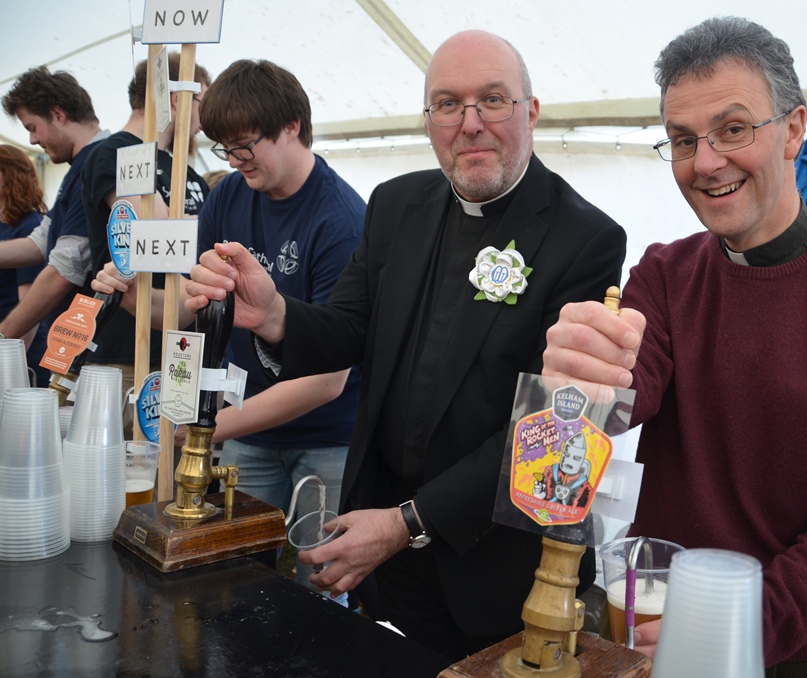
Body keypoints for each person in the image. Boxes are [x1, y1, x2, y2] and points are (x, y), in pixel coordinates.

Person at [180, 30, 627, 658]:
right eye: (447, 104)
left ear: (531, 111)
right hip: (386, 553)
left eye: (492, 100)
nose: (469, 123)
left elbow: (551, 432)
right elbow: (347, 328)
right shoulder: (396, 205)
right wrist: (276, 315)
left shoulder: (587, 239)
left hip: (493, 568)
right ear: (427, 121)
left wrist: (407, 523)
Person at [542, 17, 807, 675]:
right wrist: (585, 380)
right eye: (683, 140)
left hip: (795, 650)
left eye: (733, 129)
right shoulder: (665, 273)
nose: (707, 161)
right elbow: (632, 387)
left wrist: (733, 621)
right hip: (650, 622)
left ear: (794, 130)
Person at [93, 59, 364, 600]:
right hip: (248, 430)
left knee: (322, 585)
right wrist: (131, 298)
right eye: (224, 148)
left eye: (245, 145)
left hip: (326, 437)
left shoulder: (343, 220)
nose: (236, 161)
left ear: (292, 126)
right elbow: (193, 309)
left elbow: (328, 380)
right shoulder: (230, 196)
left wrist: (211, 429)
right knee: (234, 576)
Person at [80, 54, 212, 399]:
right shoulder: (116, 153)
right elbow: (154, 226)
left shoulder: (184, 168)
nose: (206, 118)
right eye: (203, 103)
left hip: (178, 346)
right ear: (176, 99)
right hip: (128, 350)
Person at [0, 67, 106, 350]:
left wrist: (3, 336)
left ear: (58, 114)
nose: (33, 140)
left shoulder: (99, 162)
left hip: (102, 340)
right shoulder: (79, 167)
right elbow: (39, 241)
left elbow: (65, 266)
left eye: (32, 127)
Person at [0, 144, 49, 383]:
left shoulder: (29, 226)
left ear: (9, 175)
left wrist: (12, 366)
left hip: (20, 353)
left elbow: (32, 305)